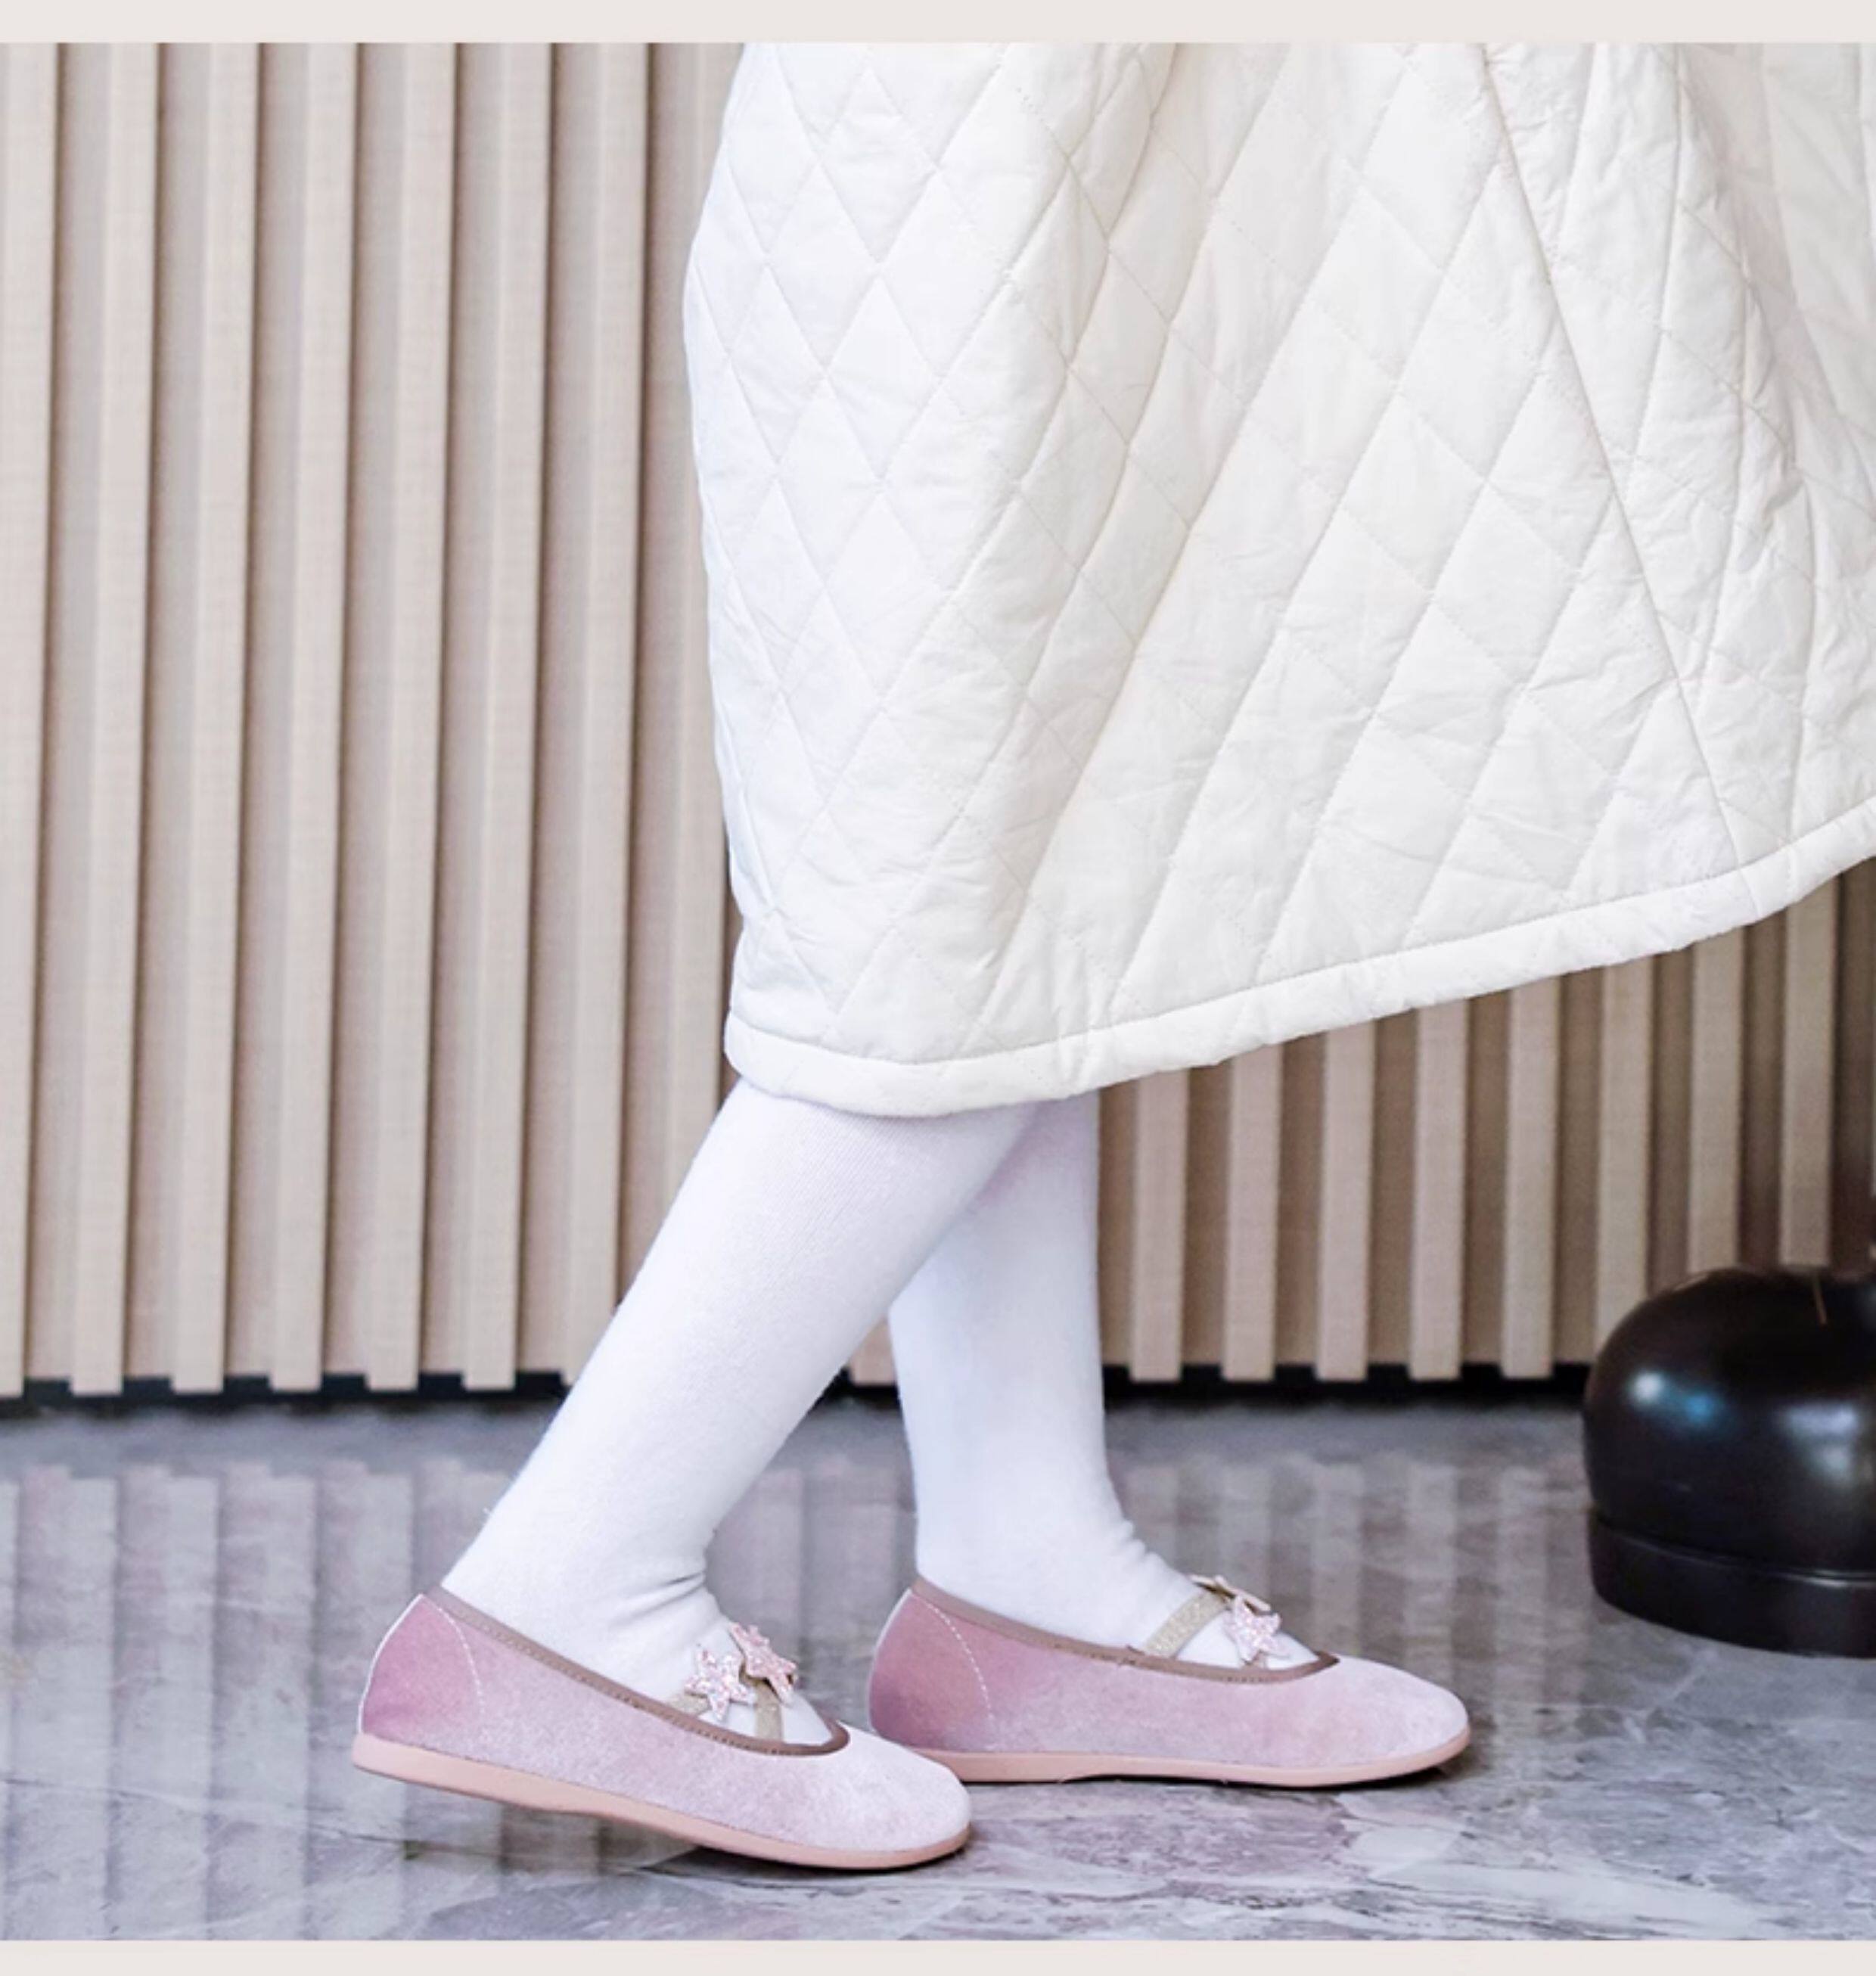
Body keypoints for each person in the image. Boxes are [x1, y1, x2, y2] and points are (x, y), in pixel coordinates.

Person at [353, 44, 1876, 1869]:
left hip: (981, 201)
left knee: (1022, 905)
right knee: (940, 936)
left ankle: (1029, 1578)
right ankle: (563, 1596)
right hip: (995, 207)